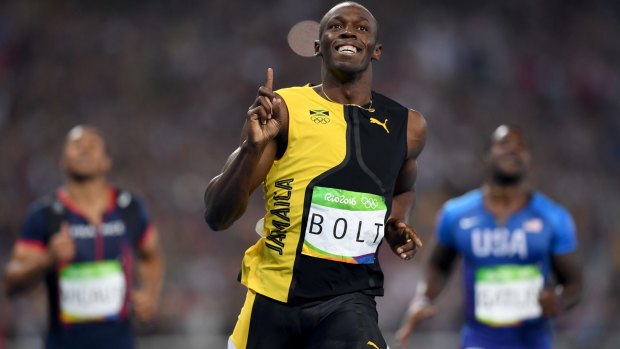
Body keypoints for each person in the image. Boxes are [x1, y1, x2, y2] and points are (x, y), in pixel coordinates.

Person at [204, 2, 427, 348]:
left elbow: (404, 187)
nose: (349, 31)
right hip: (274, 299)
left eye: (362, 28)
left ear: (377, 50)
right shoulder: (283, 109)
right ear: (317, 45)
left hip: (350, 301)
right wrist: (250, 149)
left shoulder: (407, 126)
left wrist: (395, 223)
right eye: (336, 26)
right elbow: (218, 216)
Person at [395, 125, 583, 349]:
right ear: (486, 156)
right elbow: (438, 267)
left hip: (533, 342)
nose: (513, 150)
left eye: (521, 147)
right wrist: (422, 299)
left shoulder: (553, 217)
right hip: (479, 340)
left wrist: (560, 300)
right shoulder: (456, 214)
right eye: (504, 143)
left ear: (530, 159)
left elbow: (573, 283)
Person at [4, 125, 164, 349]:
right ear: (62, 159)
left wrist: (150, 294)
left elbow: (151, 256)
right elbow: (11, 282)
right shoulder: (45, 214)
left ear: (107, 161)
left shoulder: (130, 208)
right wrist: (48, 258)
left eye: (92, 146)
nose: (84, 151)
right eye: (76, 145)